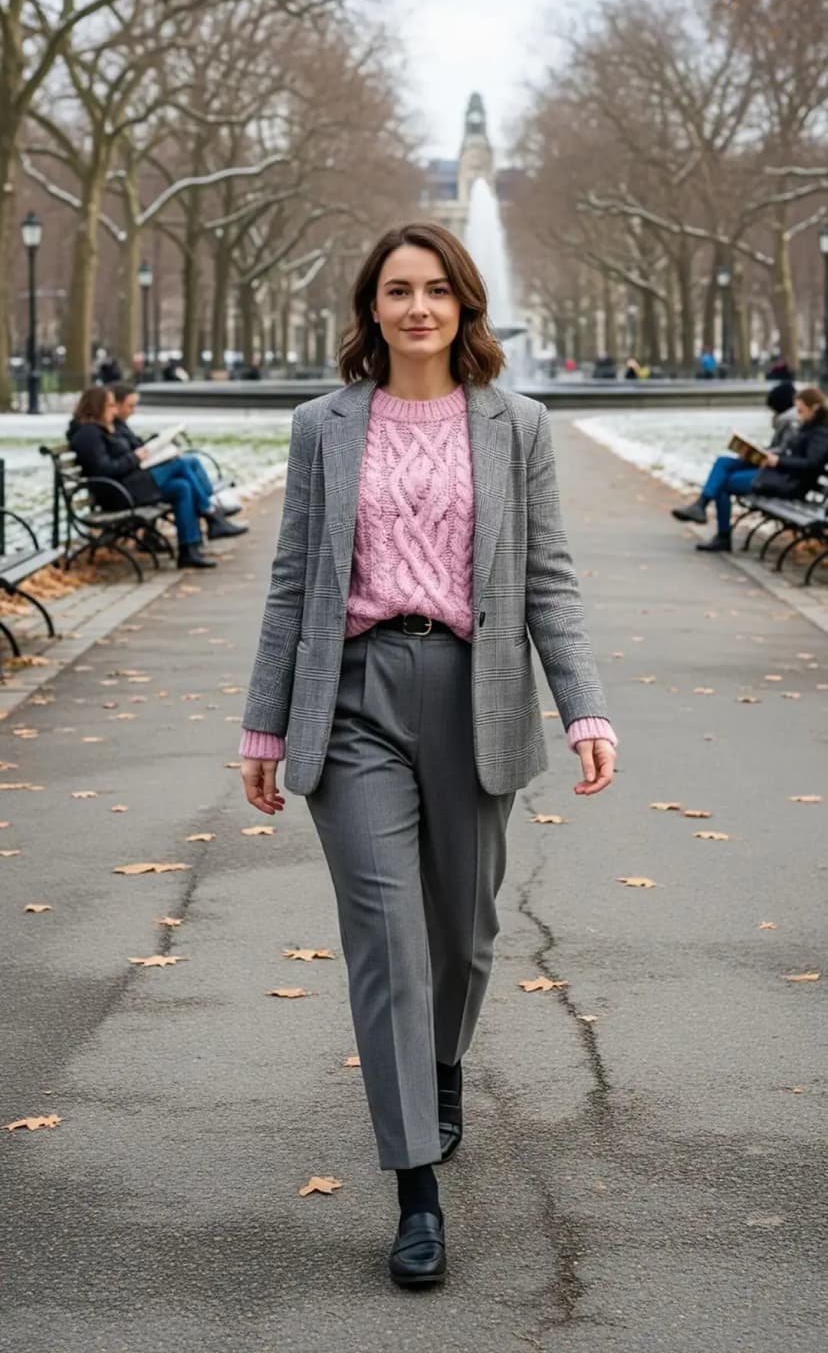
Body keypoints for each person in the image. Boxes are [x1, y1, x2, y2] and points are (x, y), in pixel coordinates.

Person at [238, 223, 617, 1289]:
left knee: (464, 930)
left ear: (464, 306)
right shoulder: (323, 426)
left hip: (473, 693)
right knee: (387, 940)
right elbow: (292, 582)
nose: (418, 307)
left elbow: (548, 578)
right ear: (372, 306)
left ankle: (442, 1063)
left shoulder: (516, 423)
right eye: (399, 290)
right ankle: (415, 1186)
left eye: (437, 290)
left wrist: (585, 708)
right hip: (352, 696)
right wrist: (264, 724)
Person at [68, 386, 219, 569]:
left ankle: (188, 549)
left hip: (131, 485)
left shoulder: (105, 429)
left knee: (182, 487)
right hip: (118, 494)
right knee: (181, 464)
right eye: (110, 406)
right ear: (96, 407)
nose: (115, 411)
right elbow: (104, 469)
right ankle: (209, 513)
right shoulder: (88, 435)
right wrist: (135, 457)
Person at [671, 385, 828, 552]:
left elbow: (812, 464)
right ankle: (701, 506)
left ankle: (721, 533)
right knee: (723, 462)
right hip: (780, 474)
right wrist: (761, 454)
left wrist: (778, 461)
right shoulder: (807, 426)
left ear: (814, 408)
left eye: (801, 410)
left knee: (724, 484)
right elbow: (791, 452)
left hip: (789, 482)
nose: (797, 414)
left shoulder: (821, 432)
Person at [110, 382, 246, 528]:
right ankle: (210, 509)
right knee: (184, 463)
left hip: (139, 477)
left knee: (183, 484)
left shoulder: (118, 426)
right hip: (129, 487)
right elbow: (110, 466)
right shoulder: (102, 431)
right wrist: (136, 456)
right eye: (130, 406)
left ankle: (194, 538)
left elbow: (134, 447)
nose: (133, 411)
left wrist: (157, 443)